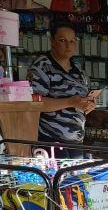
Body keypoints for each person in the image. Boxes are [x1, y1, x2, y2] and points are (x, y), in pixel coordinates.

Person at [28, 23, 96, 152]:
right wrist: (69, 102)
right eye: (63, 40)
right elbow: (34, 102)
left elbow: (81, 103)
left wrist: (88, 105)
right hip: (50, 140)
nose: (68, 45)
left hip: (76, 141)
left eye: (72, 41)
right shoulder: (42, 66)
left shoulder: (78, 71)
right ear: (53, 41)